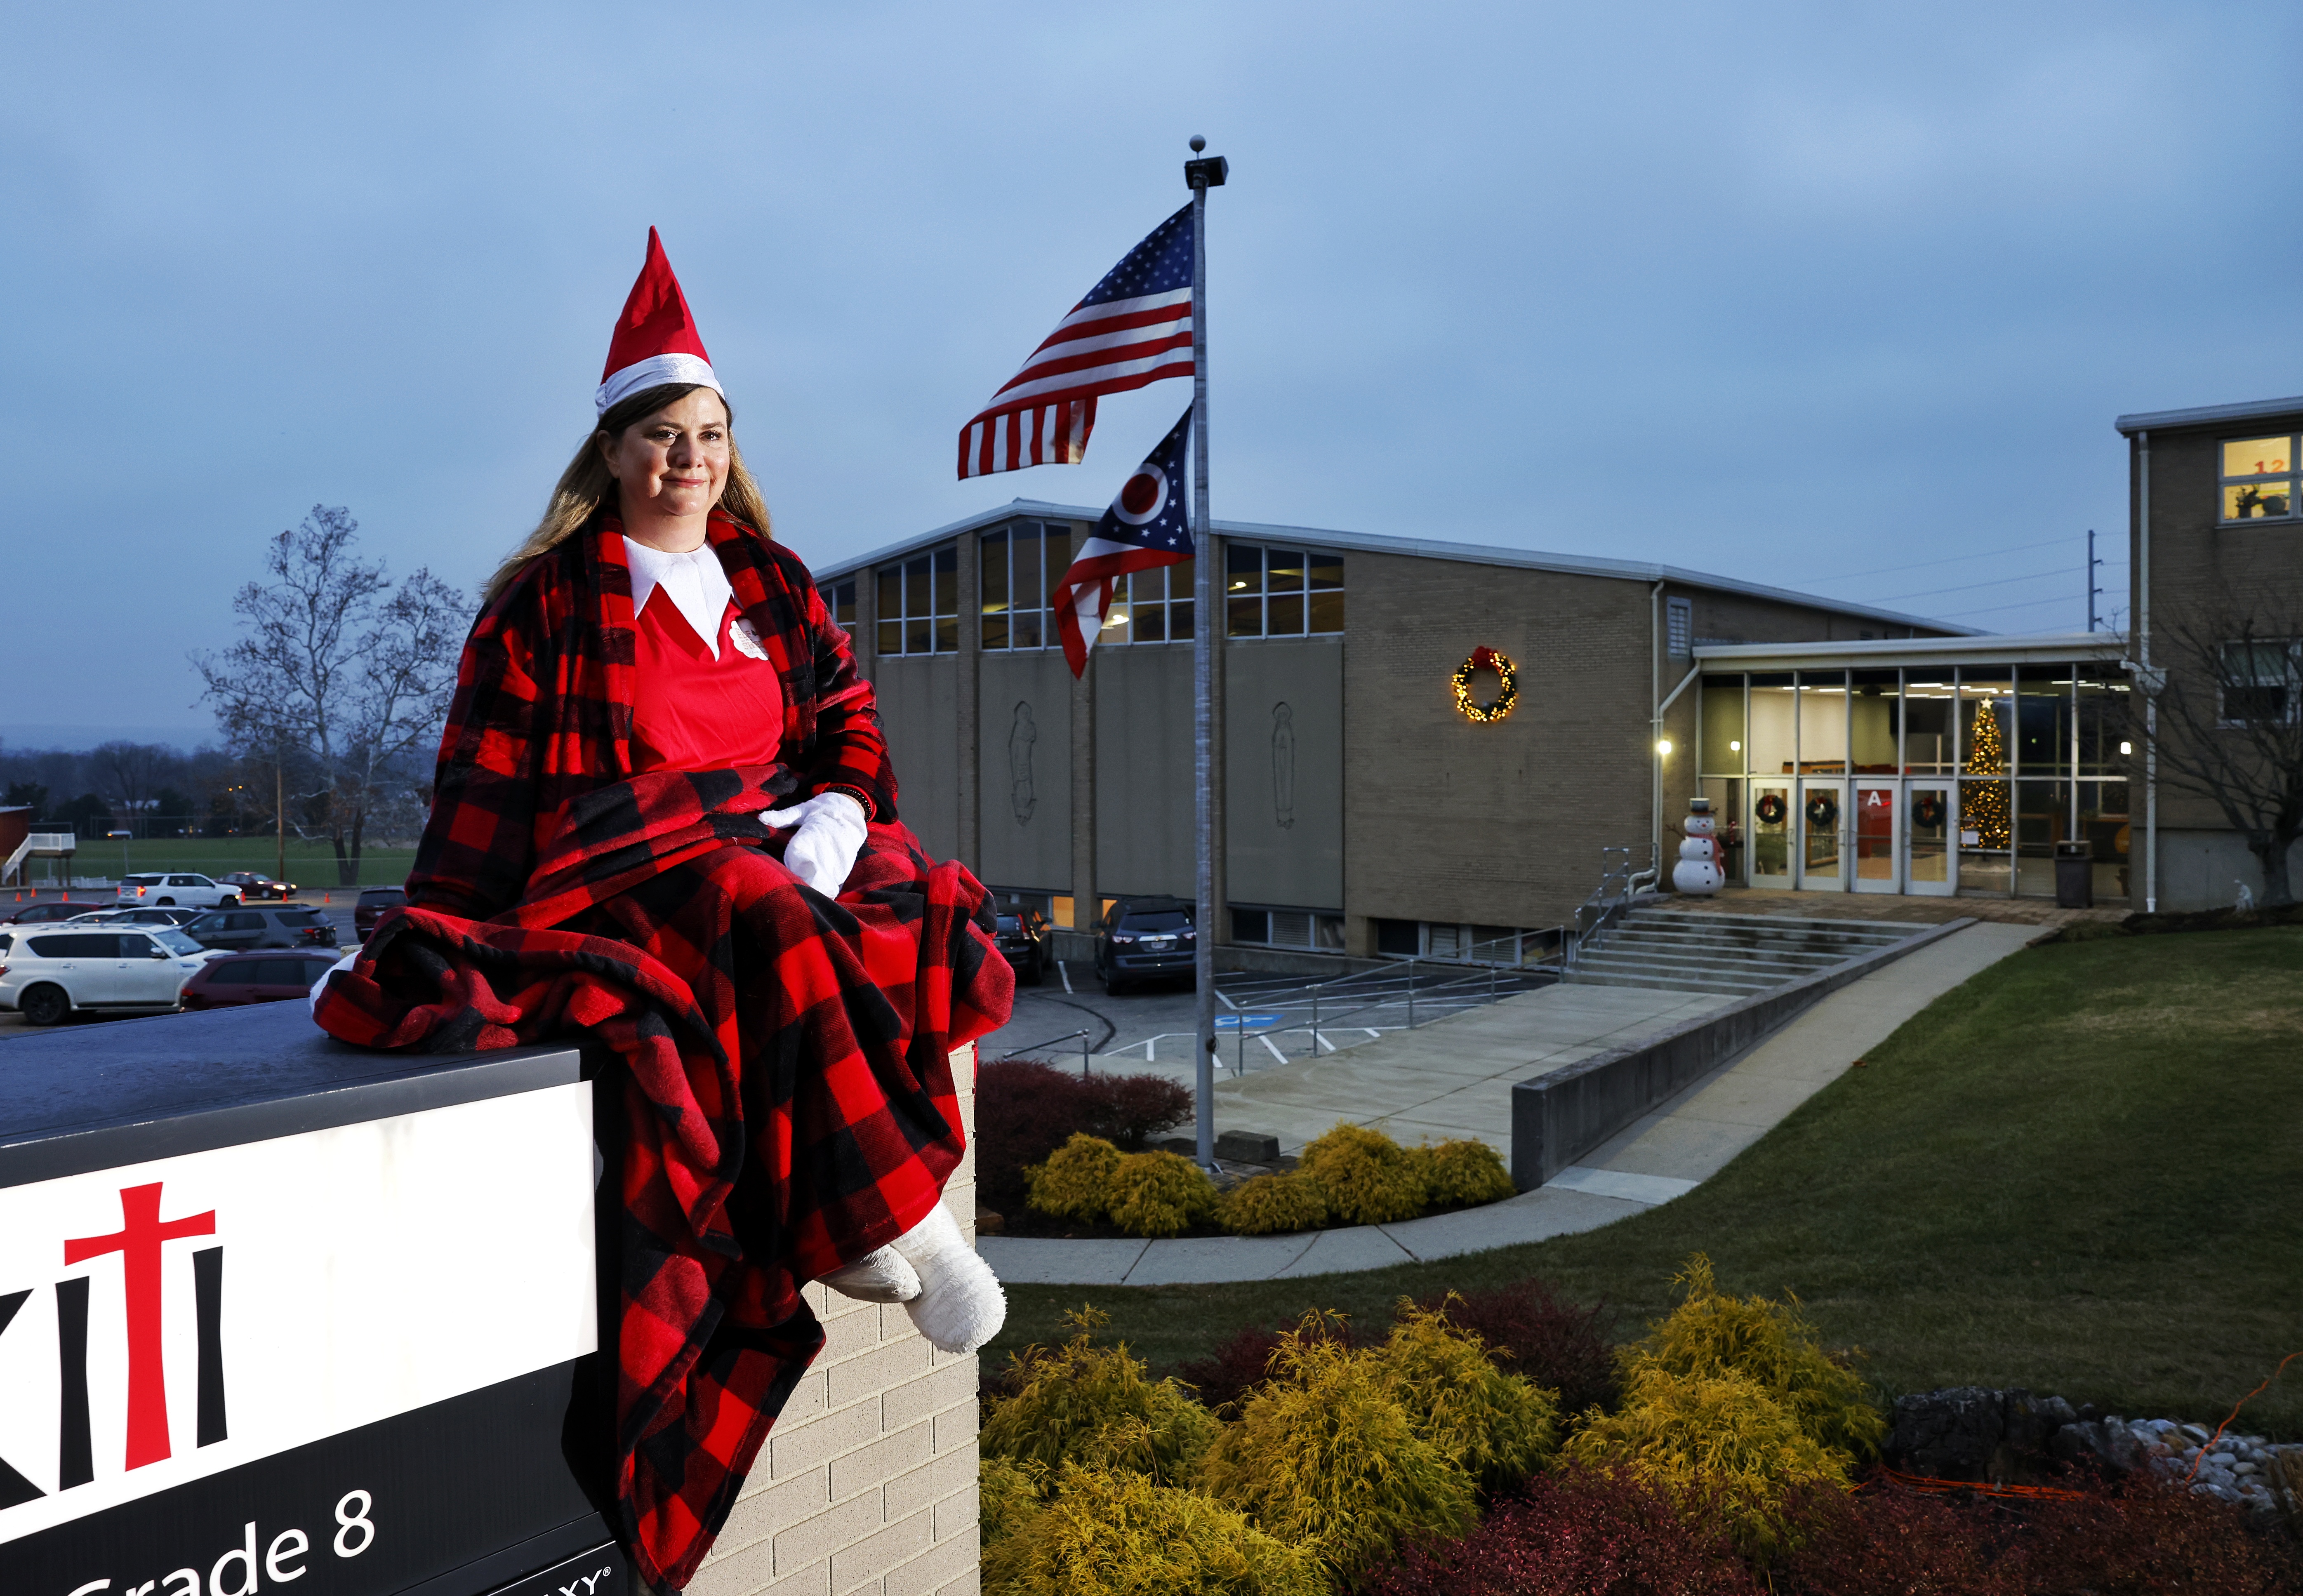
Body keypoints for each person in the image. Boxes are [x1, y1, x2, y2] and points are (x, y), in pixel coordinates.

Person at [311, 230, 1013, 1590]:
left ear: (727, 447)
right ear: (614, 453)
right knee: (760, 906)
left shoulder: (774, 582)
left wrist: (843, 809)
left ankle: (850, 1207)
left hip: (771, 850)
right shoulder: (547, 607)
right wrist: (443, 925)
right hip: (621, 861)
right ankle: (906, 1223)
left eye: (708, 432)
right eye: (660, 435)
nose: (687, 458)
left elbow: (851, 727)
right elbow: (485, 781)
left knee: (884, 906)